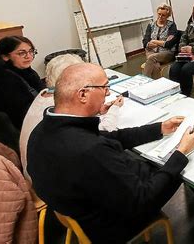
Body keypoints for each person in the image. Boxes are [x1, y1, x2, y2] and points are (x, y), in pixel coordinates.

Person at [28, 63, 194, 243]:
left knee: (157, 159)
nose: (108, 94)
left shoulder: (43, 130)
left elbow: (110, 137)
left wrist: (160, 128)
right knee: (183, 163)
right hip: (114, 224)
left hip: (83, 208)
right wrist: (181, 152)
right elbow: (145, 201)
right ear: (82, 94)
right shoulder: (89, 151)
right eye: (105, 88)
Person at [19, 54, 123, 183]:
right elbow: (103, 133)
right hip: (50, 180)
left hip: (38, 169)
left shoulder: (44, 95)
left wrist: (96, 111)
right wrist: (114, 109)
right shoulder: (61, 105)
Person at [0, 36, 45, 130]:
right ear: (5, 56)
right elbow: (21, 114)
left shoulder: (27, 70)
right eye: (22, 53)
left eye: (31, 51)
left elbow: (41, 92)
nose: (29, 56)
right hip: (13, 128)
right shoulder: (2, 78)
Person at [142, 3, 178, 79]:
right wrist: (148, 44)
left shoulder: (172, 25)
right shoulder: (151, 25)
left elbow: (169, 44)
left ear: (168, 16)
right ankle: (157, 87)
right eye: (159, 14)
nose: (160, 17)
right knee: (155, 66)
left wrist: (154, 41)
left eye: (163, 15)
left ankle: (144, 82)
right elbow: (145, 41)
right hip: (151, 51)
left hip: (167, 53)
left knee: (151, 58)